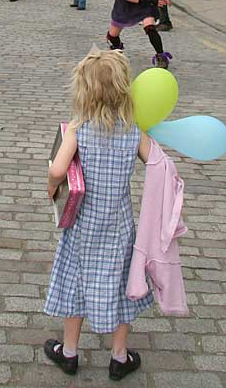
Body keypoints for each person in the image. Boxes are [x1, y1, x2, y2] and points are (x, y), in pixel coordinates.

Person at [44, 49, 153, 381]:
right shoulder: (134, 131)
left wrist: (51, 185)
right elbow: (157, 164)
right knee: (121, 285)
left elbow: (60, 168)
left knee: (76, 281)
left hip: (82, 226)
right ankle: (119, 356)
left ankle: (70, 352)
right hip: (119, 227)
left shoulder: (79, 128)